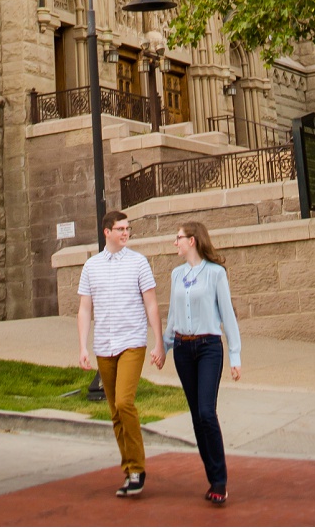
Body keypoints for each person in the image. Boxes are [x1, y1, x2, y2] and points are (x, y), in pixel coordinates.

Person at [78, 208, 164, 498]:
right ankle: (129, 470)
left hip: (132, 342)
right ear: (107, 232)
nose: (126, 233)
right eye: (121, 229)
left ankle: (138, 468)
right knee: (115, 411)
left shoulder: (139, 263)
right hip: (104, 345)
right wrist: (82, 347)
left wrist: (159, 342)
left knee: (125, 402)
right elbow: (84, 308)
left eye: (128, 229)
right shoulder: (91, 267)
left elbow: (151, 304)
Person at [155, 219, 241, 507]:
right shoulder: (177, 275)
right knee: (195, 415)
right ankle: (212, 477)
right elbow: (174, 316)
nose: (175, 242)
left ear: (192, 240)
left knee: (206, 412)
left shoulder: (216, 274)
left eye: (178, 237)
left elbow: (227, 316)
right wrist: (163, 347)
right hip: (182, 348)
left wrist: (236, 356)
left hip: (208, 348)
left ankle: (220, 481)